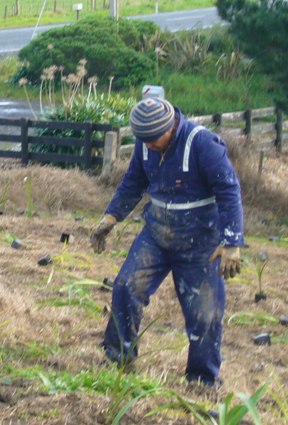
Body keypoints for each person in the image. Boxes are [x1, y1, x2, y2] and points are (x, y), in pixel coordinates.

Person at [90, 97, 243, 386]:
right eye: (143, 140)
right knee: (126, 287)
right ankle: (117, 360)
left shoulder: (203, 144)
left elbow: (229, 190)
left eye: (153, 139)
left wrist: (232, 241)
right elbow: (133, 182)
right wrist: (111, 217)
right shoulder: (145, 145)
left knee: (205, 312)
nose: (148, 145)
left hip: (201, 242)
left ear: (171, 127)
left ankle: (201, 379)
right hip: (157, 235)